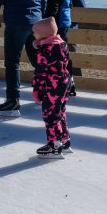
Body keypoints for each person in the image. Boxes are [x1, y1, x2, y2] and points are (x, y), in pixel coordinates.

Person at [30, 17, 72, 158]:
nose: (33, 35)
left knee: (50, 114)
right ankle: (64, 140)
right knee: (60, 112)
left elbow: (40, 73)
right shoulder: (62, 45)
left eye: (35, 32)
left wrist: (37, 90)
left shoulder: (45, 51)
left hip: (52, 87)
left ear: (43, 34)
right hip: (64, 83)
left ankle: (54, 145)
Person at [43, 0, 84, 97]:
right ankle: (70, 83)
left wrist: (46, 23)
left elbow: (53, 7)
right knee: (65, 54)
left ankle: (58, 85)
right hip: (66, 23)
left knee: (54, 56)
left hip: (56, 25)